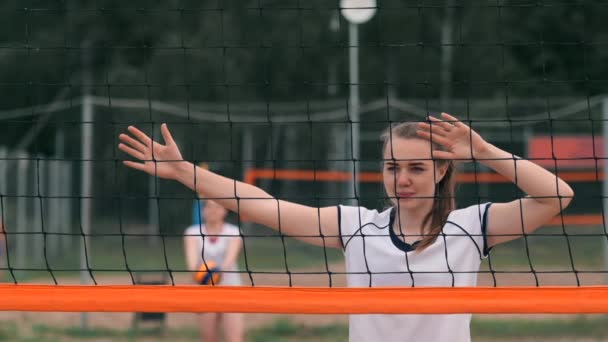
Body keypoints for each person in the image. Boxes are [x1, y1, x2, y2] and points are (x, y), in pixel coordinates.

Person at [118, 112, 574, 342]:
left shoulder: (471, 227)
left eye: (417, 167)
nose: (403, 178)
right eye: (393, 167)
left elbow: (557, 195)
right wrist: (183, 172)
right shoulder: (358, 227)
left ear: (440, 171)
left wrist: (485, 152)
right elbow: (261, 205)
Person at [184, 200, 244, 342]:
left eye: (217, 207)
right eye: (209, 207)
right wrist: (199, 274)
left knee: (235, 339)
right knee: (208, 338)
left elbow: (229, 260)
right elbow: (192, 264)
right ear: (203, 211)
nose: (213, 210)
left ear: (225, 211)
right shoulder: (192, 232)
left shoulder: (234, 231)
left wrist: (216, 273)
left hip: (231, 289)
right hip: (204, 290)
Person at [192, 162, 209, 227]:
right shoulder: (197, 177)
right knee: (197, 223)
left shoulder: (209, 178)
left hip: (206, 201)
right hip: (200, 201)